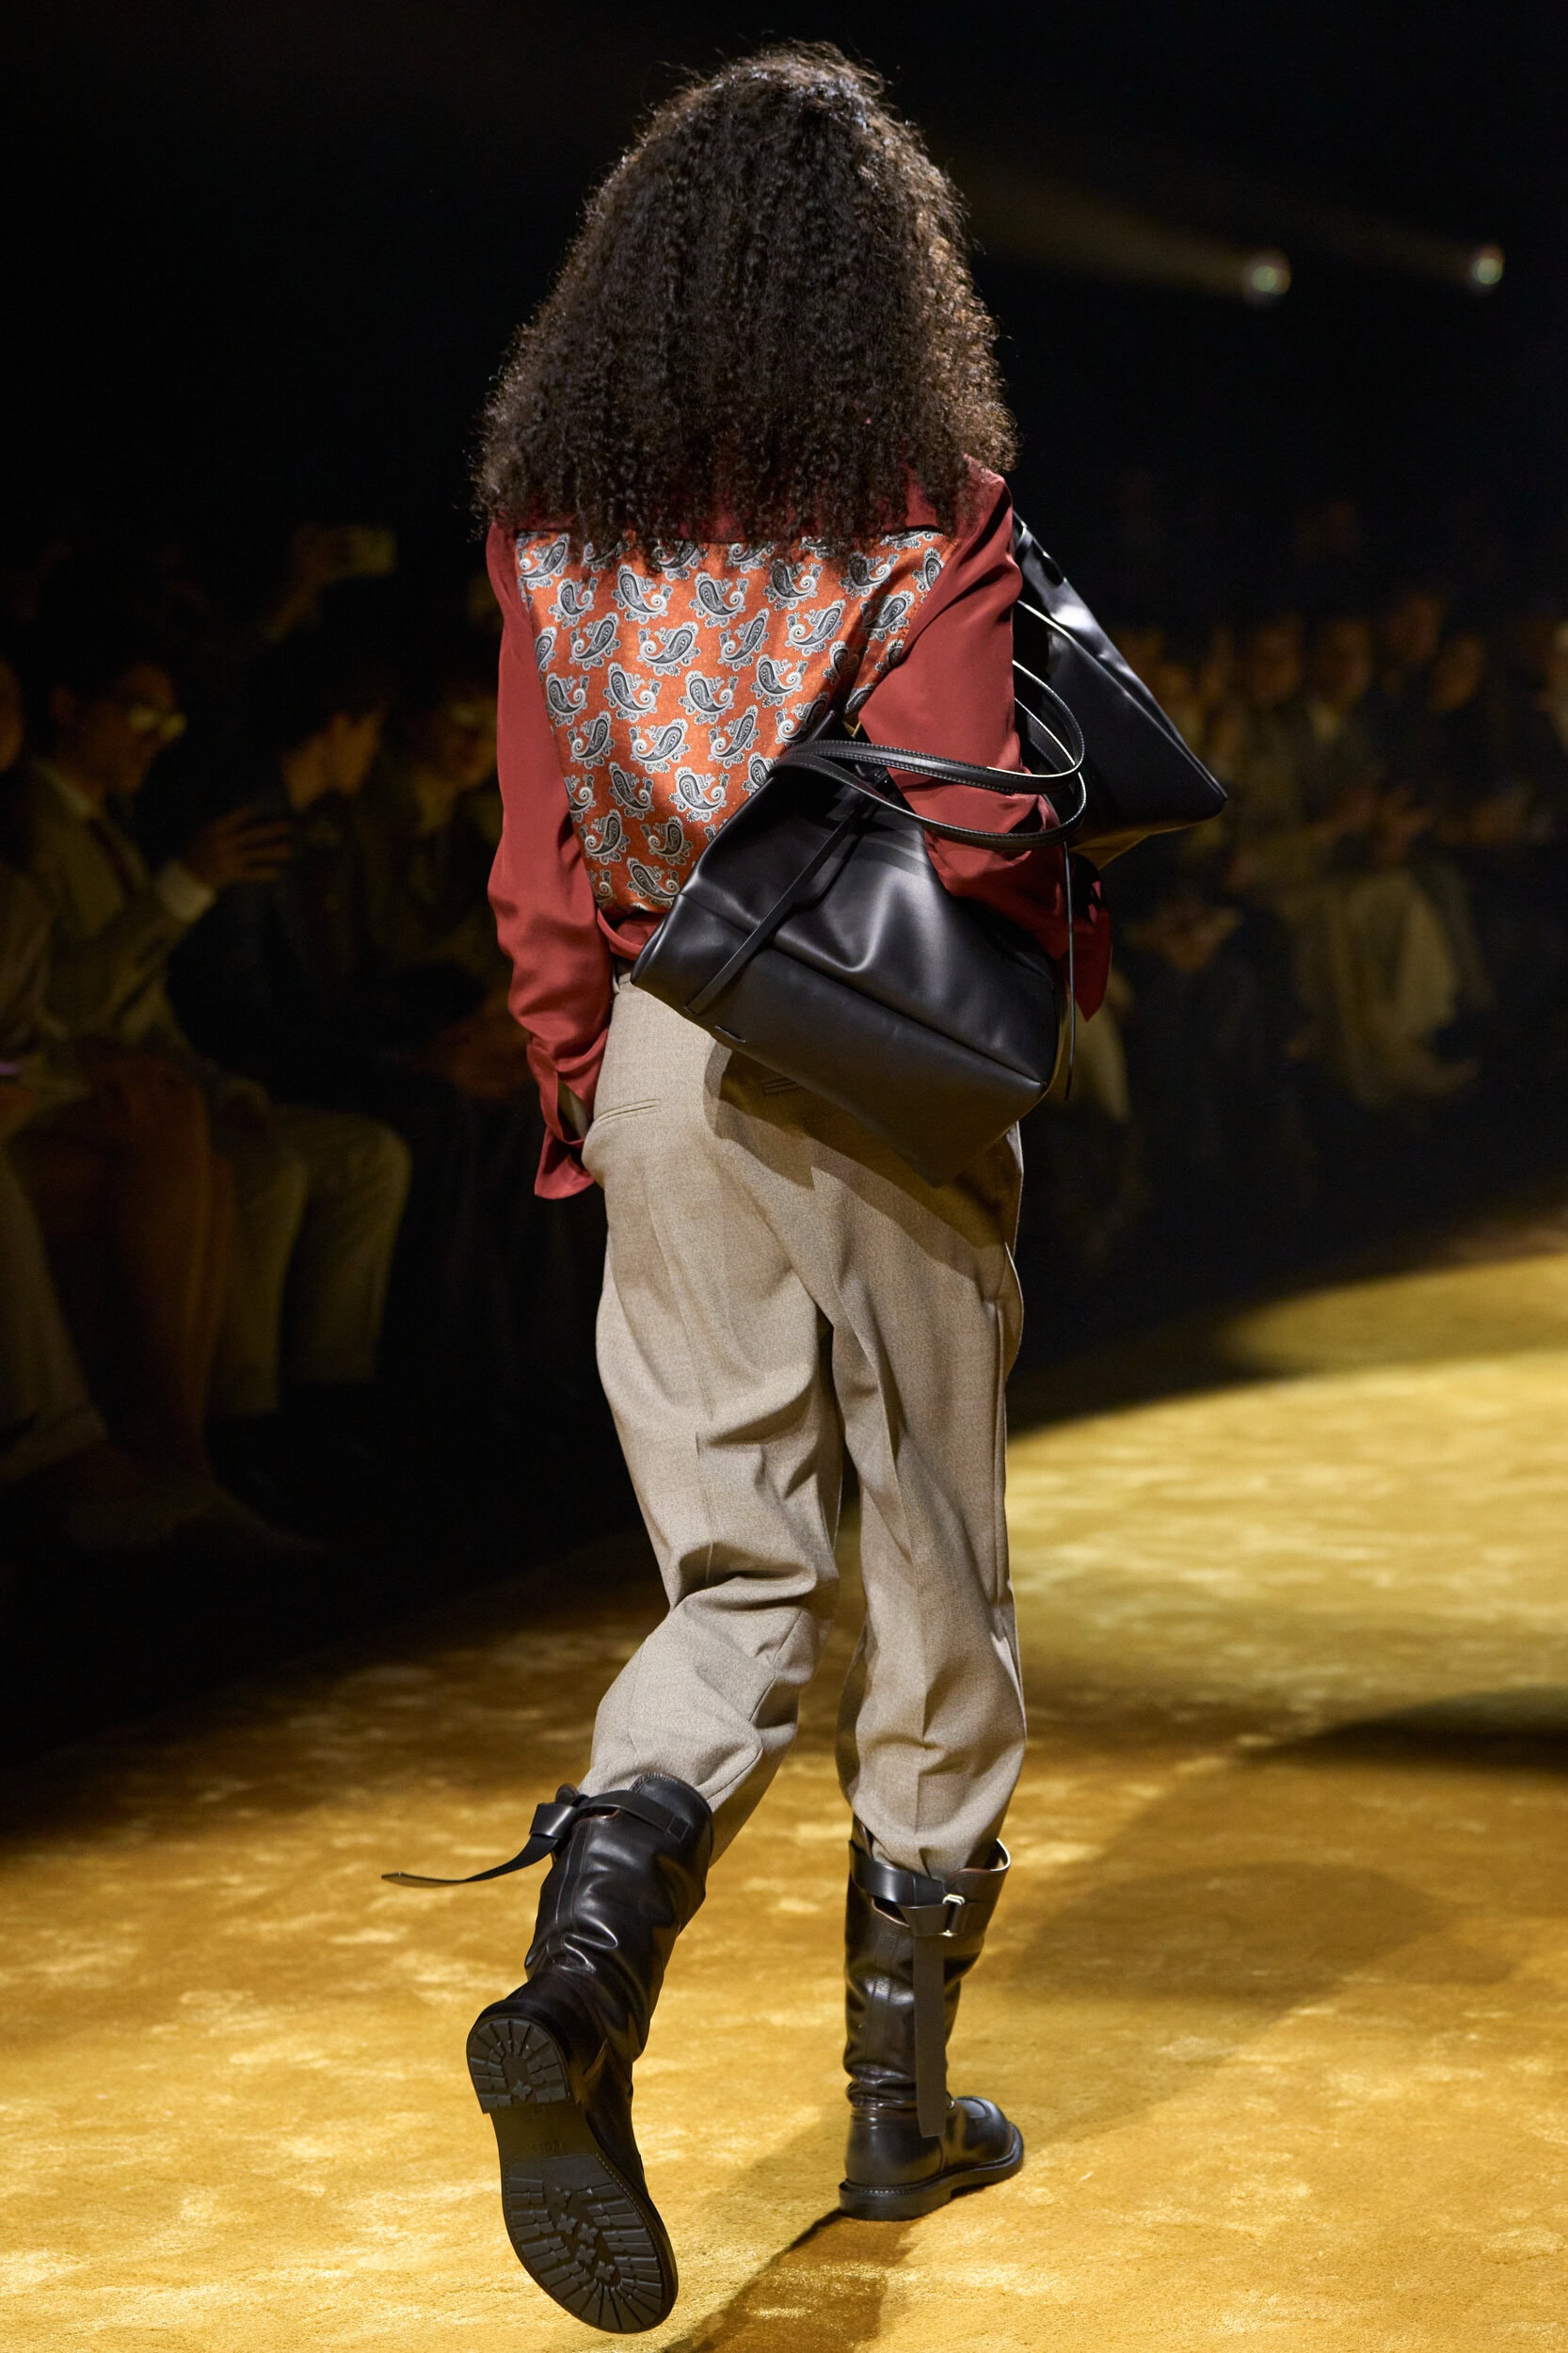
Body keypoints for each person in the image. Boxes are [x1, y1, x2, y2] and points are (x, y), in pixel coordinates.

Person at [389, 45, 1107, 2333]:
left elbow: (536, 868)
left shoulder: (557, 521)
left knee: (729, 1580)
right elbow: (974, 822)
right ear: (882, 277)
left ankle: (580, 1982)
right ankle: (896, 2105)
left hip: (663, 1052)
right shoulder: (926, 503)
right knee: (934, 1568)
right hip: (872, 1053)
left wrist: (587, 1088)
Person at [8, 611, 410, 1485]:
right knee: (259, 1170)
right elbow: (63, 1002)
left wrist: (218, 1079)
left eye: (169, 719)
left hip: (151, 1081)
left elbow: (146, 1011)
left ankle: (322, 1400)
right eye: (138, 713)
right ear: (67, 707)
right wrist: (184, 888)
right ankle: (229, 1427)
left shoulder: (104, 824)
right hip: (74, 1091)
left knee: (363, 1156)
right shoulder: (33, 826)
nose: (157, 738)